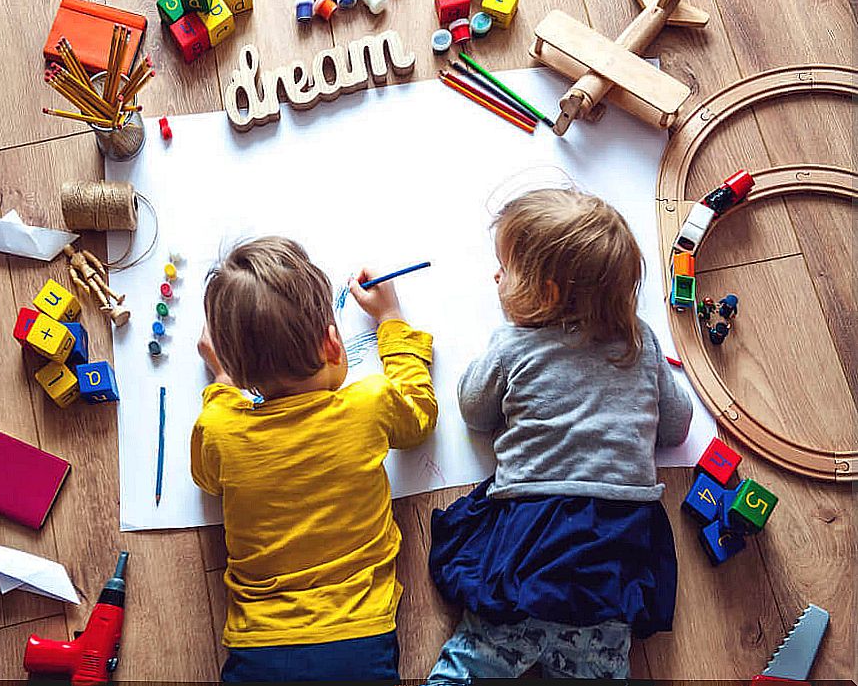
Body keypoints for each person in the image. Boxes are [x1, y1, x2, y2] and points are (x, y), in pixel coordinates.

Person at [427, 188, 693, 681]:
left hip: (529, 535)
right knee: (601, 660)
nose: (496, 277)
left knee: (483, 647)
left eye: (504, 269)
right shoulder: (641, 342)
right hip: (614, 547)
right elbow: (678, 428)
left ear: (545, 294)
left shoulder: (514, 344)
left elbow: (474, 412)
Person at [191, 236, 437, 682]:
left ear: (236, 366)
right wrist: (390, 318)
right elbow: (419, 413)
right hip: (359, 637)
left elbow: (209, 479)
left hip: (257, 643)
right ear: (332, 344)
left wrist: (223, 381)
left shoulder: (220, 427)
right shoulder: (370, 403)